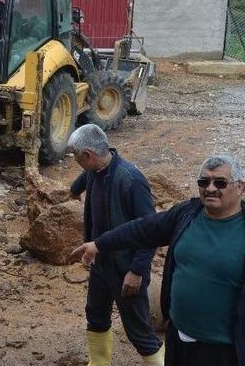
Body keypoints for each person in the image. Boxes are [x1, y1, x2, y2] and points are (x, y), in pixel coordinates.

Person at [71, 155, 245, 366]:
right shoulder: (186, 215)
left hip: (228, 352)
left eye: (220, 183)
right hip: (180, 341)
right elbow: (143, 229)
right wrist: (100, 244)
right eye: (204, 182)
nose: (210, 189)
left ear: (240, 187)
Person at [66, 124, 164, 366]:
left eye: (76, 157)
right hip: (101, 263)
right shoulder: (93, 171)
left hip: (126, 269)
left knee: (138, 331)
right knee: (96, 316)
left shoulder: (130, 180)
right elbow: (77, 185)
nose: (76, 162)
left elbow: (151, 230)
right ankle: (98, 363)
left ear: (88, 155)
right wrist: (76, 193)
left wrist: (137, 271)